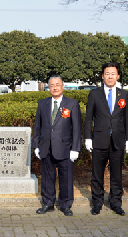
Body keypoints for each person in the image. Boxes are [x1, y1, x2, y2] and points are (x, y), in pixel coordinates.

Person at [84, 62, 128, 216]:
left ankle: (116, 203)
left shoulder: (123, 94)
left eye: (113, 73)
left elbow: (127, 119)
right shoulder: (94, 94)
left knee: (117, 174)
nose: (110, 76)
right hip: (99, 139)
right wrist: (87, 137)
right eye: (107, 73)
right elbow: (88, 118)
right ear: (103, 75)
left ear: (117, 76)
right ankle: (97, 203)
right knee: (97, 174)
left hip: (117, 140)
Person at [32, 75, 81, 216]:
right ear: (48, 88)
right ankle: (48, 203)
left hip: (66, 148)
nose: (54, 87)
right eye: (52, 85)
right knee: (47, 178)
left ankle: (65, 204)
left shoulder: (72, 104)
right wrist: (36, 145)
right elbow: (38, 126)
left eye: (57, 84)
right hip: (46, 147)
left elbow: (77, 128)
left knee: (66, 177)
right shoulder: (43, 104)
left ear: (62, 86)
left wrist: (75, 149)